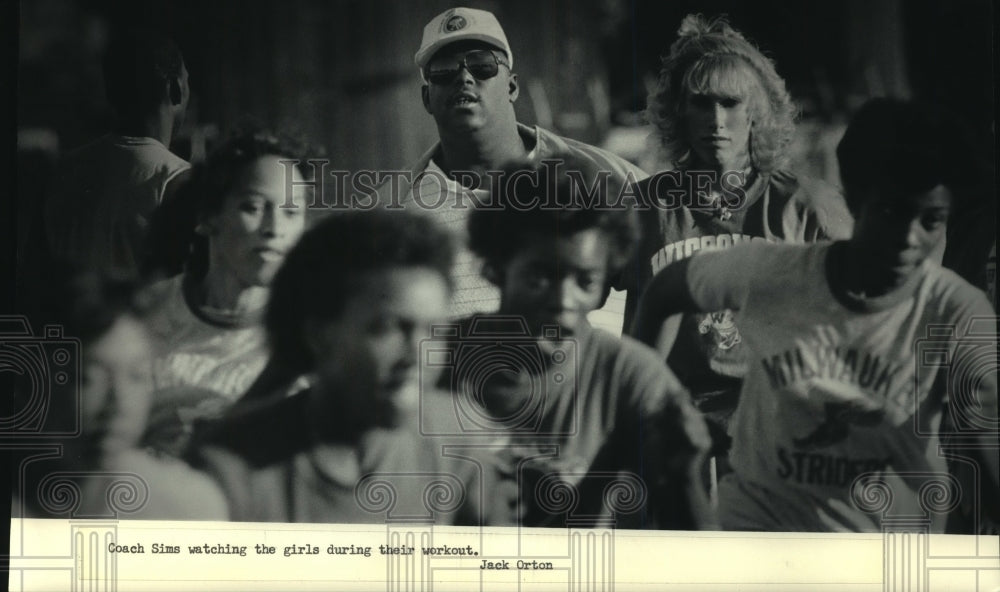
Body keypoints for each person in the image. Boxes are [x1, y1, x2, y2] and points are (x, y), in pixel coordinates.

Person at [631, 98, 998, 532]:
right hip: (756, 540)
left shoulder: (954, 312)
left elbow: (983, 460)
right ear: (856, 198)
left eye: (931, 220)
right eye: (890, 212)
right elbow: (664, 290)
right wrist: (650, 404)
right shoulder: (772, 271)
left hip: (875, 553)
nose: (908, 237)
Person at [617, 15, 853, 466]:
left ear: (757, 112)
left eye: (730, 103)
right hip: (670, 436)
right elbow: (568, 291)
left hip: (778, 436)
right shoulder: (642, 208)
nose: (716, 120)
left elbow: (867, 322)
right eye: (700, 104)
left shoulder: (807, 208)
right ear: (677, 112)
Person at [428, 163, 713, 529]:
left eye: (585, 281)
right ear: (497, 268)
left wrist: (683, 478)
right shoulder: (436, 362)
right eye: (539, 277)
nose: (563, 300)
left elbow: (691, 545)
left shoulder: (628, 375)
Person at [186, 210, 484, 524]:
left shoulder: (458, 439)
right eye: (386, 328)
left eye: (434, 330)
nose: (417, 354)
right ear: (319, 334)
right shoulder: (230, 472)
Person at [373, 7, 646, 321]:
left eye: (482, 66)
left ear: (512, 87)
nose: (464, 77)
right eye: (444, 70)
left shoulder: (613, 179)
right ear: (426, 98)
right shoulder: (390, 215)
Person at [138, 132, 309, 457]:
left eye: (292, 212)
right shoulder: (146, 313)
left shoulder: (311, 329)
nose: (275, 228)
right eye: (254, 207)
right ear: (207, 216)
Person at [12, 266, 227, 521]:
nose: (119, 403)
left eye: (136, 376)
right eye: (88, 379)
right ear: (27, 387)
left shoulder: (185, 505)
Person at [43, 28, 192, 280]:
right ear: (175, 88)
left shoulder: (61, 169)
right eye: (187, 81)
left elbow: (30, 275)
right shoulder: (177, 180)